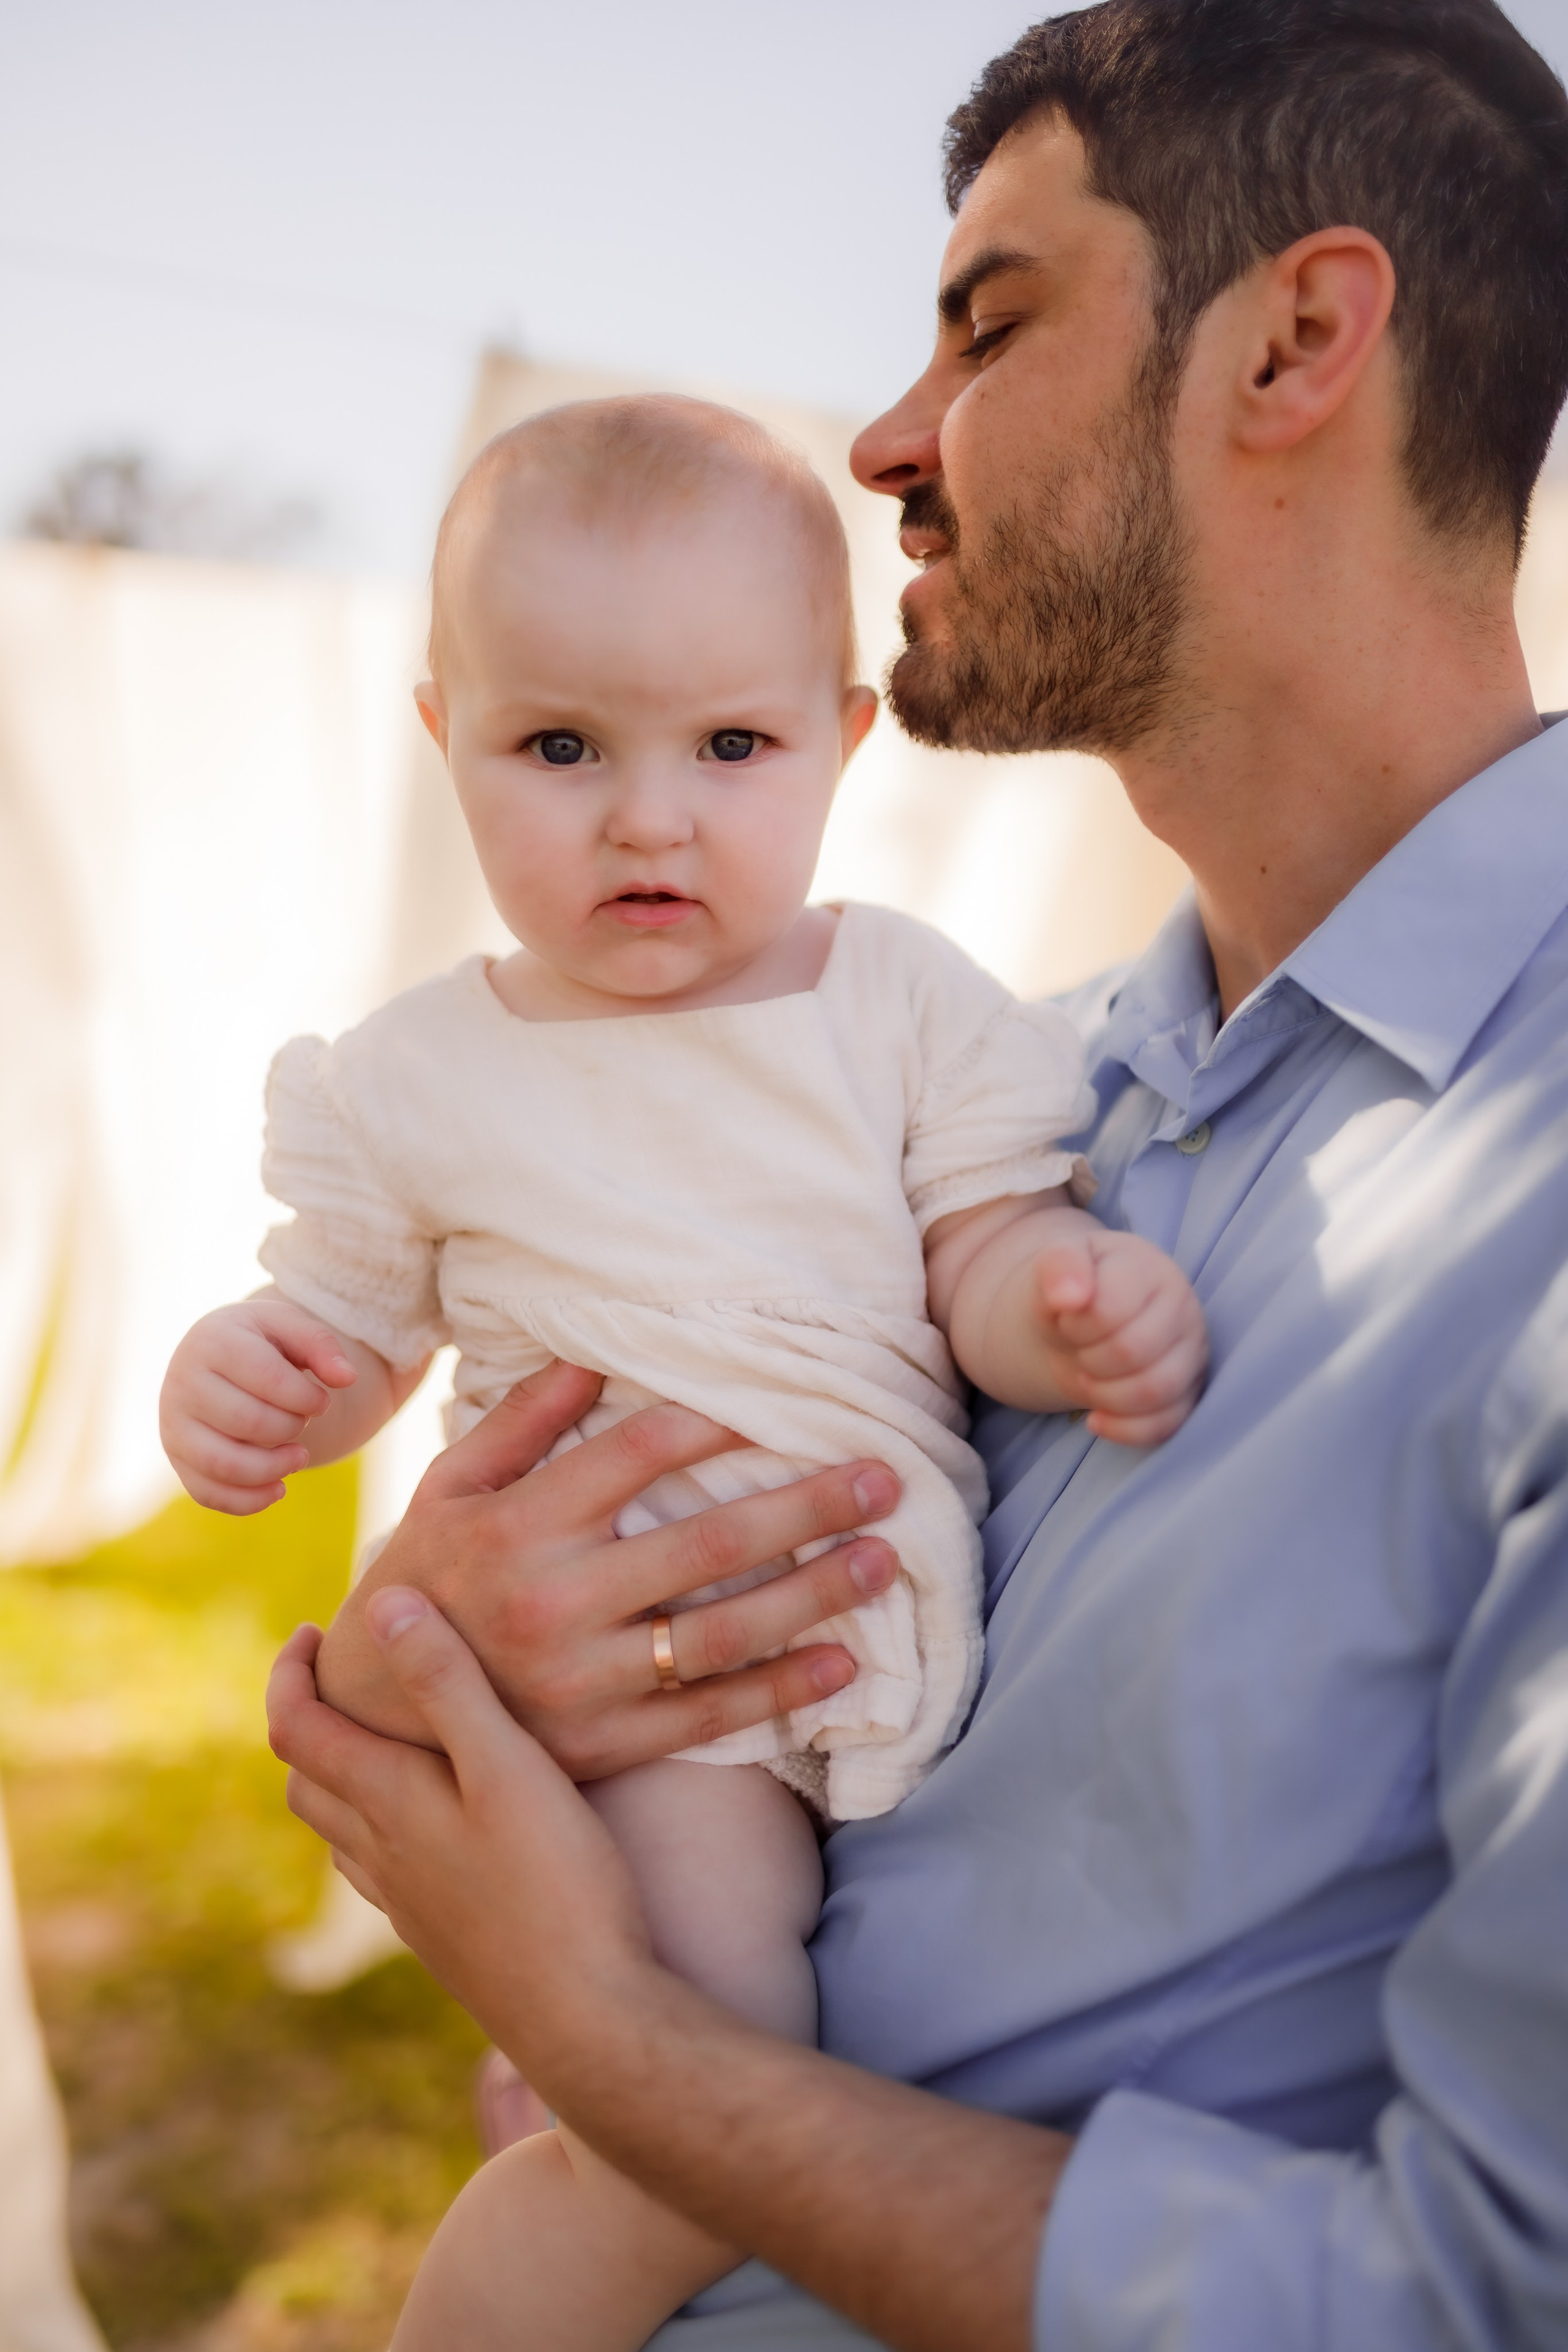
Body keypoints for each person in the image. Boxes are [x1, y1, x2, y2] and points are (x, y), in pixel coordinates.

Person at [268, 1, 1568, 2345]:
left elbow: (1473, 2304)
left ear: (1294, 343)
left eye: (989, 323)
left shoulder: (1531, 1198)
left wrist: (632, 2061)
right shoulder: (997, 1095)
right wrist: (431, 1659)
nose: (882, 438)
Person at [160, 396, 1205, 2348]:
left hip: (876, 1621)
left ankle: (557, 2112)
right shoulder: (422, 1077)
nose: (649, 818)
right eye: (560, 747)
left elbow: (979, 1249)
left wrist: (1063, 1299)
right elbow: (343, 1330)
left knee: (820, 2039)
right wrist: (250, 1381)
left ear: (841, 740)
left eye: (731, 747)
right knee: (707, 2079)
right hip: (651, 1705)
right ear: (445, 741)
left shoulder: (897, 1003)